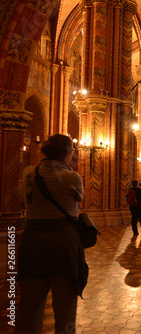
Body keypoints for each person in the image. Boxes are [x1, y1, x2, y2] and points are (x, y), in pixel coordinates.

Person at [16, 134, 86, 333]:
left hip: (33, 243)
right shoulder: (72, 176)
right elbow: (79, 198)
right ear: (67, 153)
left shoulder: (29, 172)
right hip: (63, 246)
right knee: (65, 310)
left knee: (28, 309)